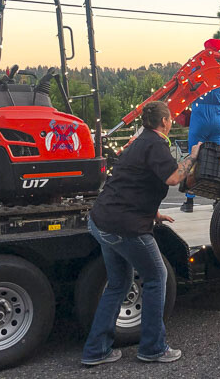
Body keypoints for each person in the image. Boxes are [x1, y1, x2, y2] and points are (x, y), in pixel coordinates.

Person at [81, 101, 201, 366]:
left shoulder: (138, 141)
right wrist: (192, 156)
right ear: (165, 121)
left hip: (101, 220)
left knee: (118, 283)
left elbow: (131, 183)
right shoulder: (156, 144)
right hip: (125, 226)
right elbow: (172, 178)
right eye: (171, 119)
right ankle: (153, 348)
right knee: (157, 276)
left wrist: (154, 214)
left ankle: (96, 350)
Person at [180, 38, 220, 213]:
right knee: (218, 158)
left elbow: (182, 93)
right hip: (218, 119)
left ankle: (189, 201)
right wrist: (218, 109)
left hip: (199, 117)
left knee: (193, 157)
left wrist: (188, 115)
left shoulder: (197, 69)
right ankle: (218, 200)